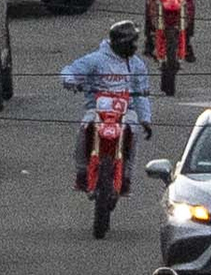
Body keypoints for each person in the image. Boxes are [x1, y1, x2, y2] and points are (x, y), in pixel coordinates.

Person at [61, 20, 154, 186]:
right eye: (131, 42)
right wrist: (70, 81)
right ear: (120, 43)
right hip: (96, 109)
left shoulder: (137, 65)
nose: (134, 47)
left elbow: (141, 93)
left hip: (127, 111)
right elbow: (70, 71)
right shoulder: (95, 60)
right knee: (84, 129)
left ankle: (126, 176)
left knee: (133, 133)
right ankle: (82, 171)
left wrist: (145, 119)